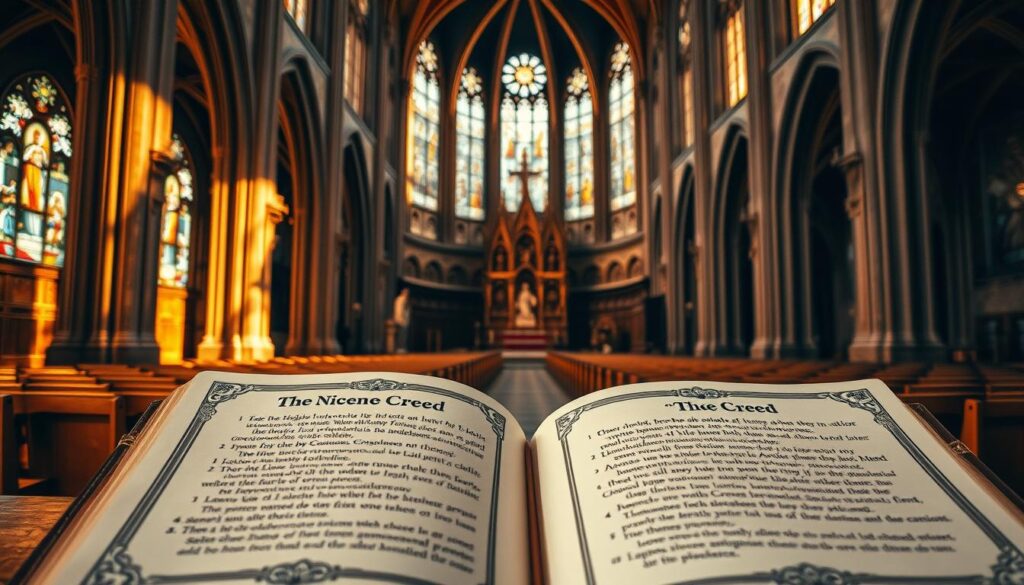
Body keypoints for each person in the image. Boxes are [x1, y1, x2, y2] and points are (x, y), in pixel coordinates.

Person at [393, 288, 411, 353]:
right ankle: (399, 348)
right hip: (400, 321)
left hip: (405, 321)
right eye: (406, 292)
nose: (407, 294)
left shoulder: (406, 300)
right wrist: (400, 319)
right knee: (400, 335)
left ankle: (402, 347)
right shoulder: (399, 299)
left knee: (404, 335)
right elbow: (398, 310)